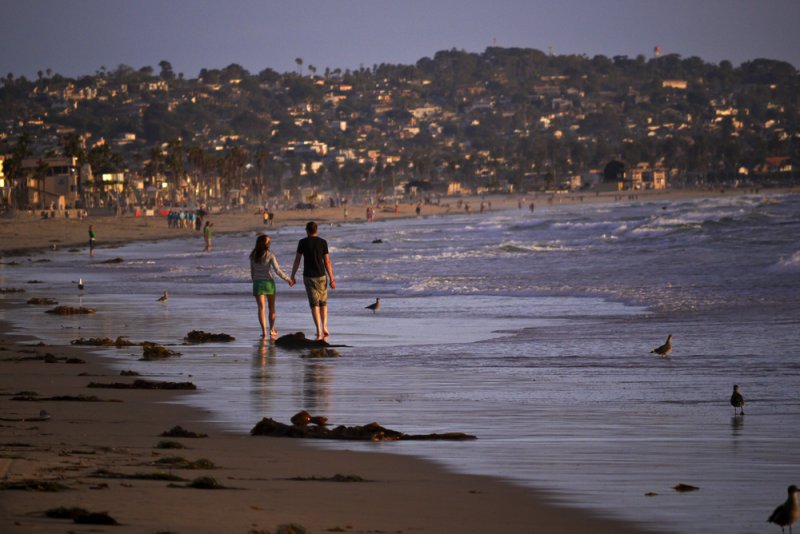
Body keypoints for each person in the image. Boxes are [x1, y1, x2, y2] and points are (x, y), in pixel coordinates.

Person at [291, 221, 336, 340]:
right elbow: (327, 262)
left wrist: (292, 275)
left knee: (314, 304)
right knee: (323, 303)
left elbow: (297, 260)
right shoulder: (323, 242)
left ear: (307, 230)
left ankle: (318, 329)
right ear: (316, 230)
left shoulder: (302, 242)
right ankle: (325, 326)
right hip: (322, 276)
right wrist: (332, 279)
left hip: (309, 276)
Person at [250, 234, 294, 339]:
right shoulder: (270, 255)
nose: (270, 243)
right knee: (271, 307)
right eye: (268, 242)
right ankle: (272, 329)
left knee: (261, 308)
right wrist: (288, 279)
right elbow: (277, 270)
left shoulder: (253, 255)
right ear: (264, 243)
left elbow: (252, 271)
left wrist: (255, 280)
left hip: (257, 283)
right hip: (268, 283)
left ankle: (264, 331)